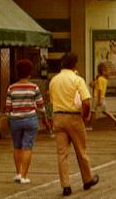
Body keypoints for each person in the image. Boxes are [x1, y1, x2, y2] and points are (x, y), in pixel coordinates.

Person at [49, 53, 99, 197]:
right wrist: (85, 115)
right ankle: (87, 179)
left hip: (58, 117)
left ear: (61, 64)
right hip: (74, 117)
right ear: (74, 65)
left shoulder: (54, 80)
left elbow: (51, 100)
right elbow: (86, 101)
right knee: (81, 150)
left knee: (62, 153)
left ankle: (65, 185)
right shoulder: (77, 80)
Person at [5, 59, 50, 184]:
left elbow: (8, 107)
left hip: (15, 120)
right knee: (27, 147)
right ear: (29, 73)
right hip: (30, 119)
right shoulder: (33, 87)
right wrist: (45, 118)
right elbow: (41, 105)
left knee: (17, 146)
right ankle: (24, 176)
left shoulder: (11, 88)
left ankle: (18, 173)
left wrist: (8, 118)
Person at [90, 62, 116, 129]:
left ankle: (90, 125)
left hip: (97, 97)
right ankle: (115, 120)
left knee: (93, 111)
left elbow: (99, 89)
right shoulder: (104, 79)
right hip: (102, 97)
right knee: (105, 111)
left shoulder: (100, 79)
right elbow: (93, 85)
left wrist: (99, 99)